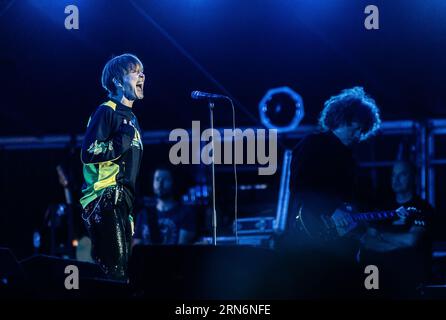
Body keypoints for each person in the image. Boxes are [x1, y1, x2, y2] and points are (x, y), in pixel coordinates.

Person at [282, 87, 381, 297]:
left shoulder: (350, 160)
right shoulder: (312, 145)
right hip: (307, 241)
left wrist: (358, 221)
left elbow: (352, 201)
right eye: (355, 128)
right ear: (342, 119)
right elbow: (300, 186)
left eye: (363, 131)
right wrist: (333, 210)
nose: (358, 135)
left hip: (338, 245)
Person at [79, 53, 145, 281]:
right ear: (118, 81)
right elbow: (88, 153)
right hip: (103, 198)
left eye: (142, 72)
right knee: (115, 272)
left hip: (122, 201)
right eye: (135, 72)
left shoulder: (132, 119)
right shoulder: (107, 111)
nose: (142, 76)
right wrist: (121, 141)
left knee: (124, 273)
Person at [360, 160, 435, 297]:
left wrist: (381, 236)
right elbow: (367, 241)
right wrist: (399, 244)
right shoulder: (381, 208)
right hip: (378, 279)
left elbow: (411, 240)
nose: (396, 179)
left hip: (409, 281)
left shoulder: (423, 208)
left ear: (413, 177)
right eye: (393, 175)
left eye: (402, 175)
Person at [133, 166, 197, 246]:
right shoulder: (144, 214)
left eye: (165, 179)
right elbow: (136, 245)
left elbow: (182, 249)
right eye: (157, 179)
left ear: (173, 182)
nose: (160, 183)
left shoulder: (185, 213)